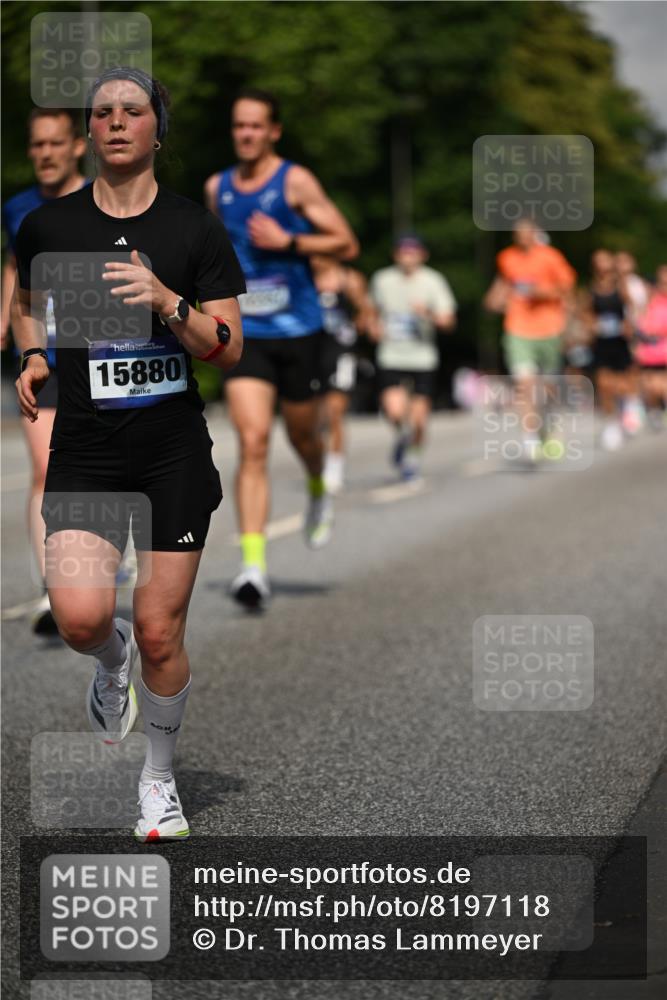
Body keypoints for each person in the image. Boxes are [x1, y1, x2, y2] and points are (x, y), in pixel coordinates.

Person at [13, 68, 245, 841]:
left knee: (159, 631)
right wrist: (35, 355)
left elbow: (227, 345)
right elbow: (24, 305)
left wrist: (165, 301)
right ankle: (109, 668)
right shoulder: (50, 226)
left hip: (170, 454)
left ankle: (157, 783)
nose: (116, 122)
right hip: (86, 447)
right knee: (82, 621)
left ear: (157, 130)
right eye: (102, 113)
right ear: (89, 132)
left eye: (132, 111)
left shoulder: (192, 230)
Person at [204, 88, 358, 609]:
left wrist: (289, 242)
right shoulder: (216, 188)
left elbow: (346, 242)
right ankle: (253, 567)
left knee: (303, 436)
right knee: (252, 443)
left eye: (255, 126)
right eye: (238, 126)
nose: (245, 134)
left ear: (274, 132)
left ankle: (317, 482)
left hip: (300, 332)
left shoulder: (294, 181)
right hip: (248, 336)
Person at [2, 108, 87, 634]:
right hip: (43, 354)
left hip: (103, 353)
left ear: (77, 146)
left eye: (56, 143)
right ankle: (50, 591)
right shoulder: (17, 208)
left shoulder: (105, 200)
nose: (46, 153)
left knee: (105, 464)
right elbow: (15, 266)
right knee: (45, 468)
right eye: (37, 145)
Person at [484, 218, 576, 463]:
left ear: (534, 233)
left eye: (526, 232)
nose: (522, 237)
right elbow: (503, 284)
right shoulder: (507, 258)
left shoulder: (550, 257)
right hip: (518, 329)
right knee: (524, 385)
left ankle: (550, 427)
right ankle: (529, 437)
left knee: (547, 389)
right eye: (517, 233)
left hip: (549, 329)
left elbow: (567, 289)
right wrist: (493, 300)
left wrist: (541, 293)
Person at [370, 235, 456, 480]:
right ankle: (402, 436)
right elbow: (371, 312)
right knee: (395, 411)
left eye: (413, 252)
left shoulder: (433, 281)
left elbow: (448, 321)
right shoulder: (382, 279)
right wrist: (373, 326)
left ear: (422, 255)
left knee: (419, 419)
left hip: (422, 357)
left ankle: (412, 457)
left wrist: (428, 313)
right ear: (395, 255)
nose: (408, 257)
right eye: (403, 252)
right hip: (391, 355)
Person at [311, 254, 375, 494]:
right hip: (313, 351)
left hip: (341, 351)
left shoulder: (349, 279)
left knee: (335, 412)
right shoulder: (305, 276)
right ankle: (317, 464)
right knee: (316, 417)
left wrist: (359, 325)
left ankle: (334, 468)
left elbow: (366, 308)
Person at [581, 250, 637, 451]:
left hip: (620, 342)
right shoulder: (592, 290)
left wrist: (629, 326)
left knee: (623, 385)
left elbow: (632, 308)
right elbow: (585, 313)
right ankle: (612, 424)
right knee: (604, 385)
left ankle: (628, 411)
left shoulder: (620, 286)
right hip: (602, 342)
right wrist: (592, 325)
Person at [635, 264, 667, 429]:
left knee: (661, 385)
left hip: (664, 351)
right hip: (651, 351)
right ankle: (655, 411)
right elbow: (642, 325)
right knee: (650, 386)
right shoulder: (651, 302)